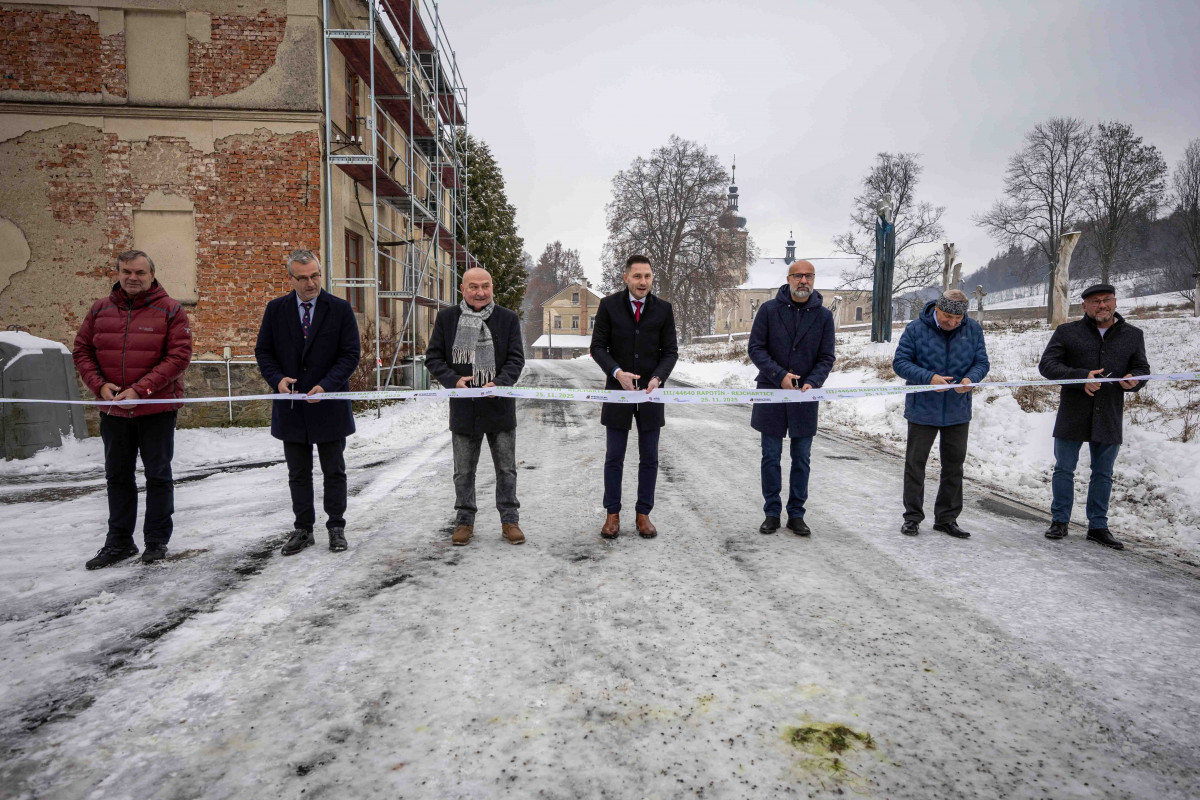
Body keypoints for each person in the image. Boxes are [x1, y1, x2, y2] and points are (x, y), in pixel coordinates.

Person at [73, 250, 193, 569]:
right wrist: (99, 385)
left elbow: (179, 357)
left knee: (158, 476)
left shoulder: (170, 310)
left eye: (140, 272)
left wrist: (141, 390)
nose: (132, 277)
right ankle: (119, 542)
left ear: (152, 275)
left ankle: (155, 542)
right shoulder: (100, 310)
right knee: (118, 477)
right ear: (118, 273)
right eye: (126, 271)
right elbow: (82, 350)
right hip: (113, 412)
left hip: (156, 410)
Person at [254, 250, 360, 556]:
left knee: (334, 470)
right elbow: (264, 352)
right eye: (303, 277)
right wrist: (277, 379)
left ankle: (336, 526)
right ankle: (303, 529)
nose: (310, 282)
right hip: (291, 408)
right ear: (290, 279)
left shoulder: (339, 309)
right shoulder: (276, 310)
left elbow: (350, 354)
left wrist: (326, 385)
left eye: (315, 275)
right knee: (297, 473)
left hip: (329, 405)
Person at [1038, 283, 1149, 550]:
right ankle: (1059, 520)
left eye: (1107, 300)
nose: (1102, 305)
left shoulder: (1133, 335)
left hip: (1109, 413)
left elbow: (1141, 367)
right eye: (1095, 301)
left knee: (1103, 473)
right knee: (1064, 468)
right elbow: (1048, 365)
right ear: (1085, 306)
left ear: (1115, 302)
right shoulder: (1067, 332)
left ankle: (1098, 526)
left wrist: (1135, 380)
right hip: (1073, 412)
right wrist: (1079, 378)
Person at [425, 267, 526, 547]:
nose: (480, 292)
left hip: (500, 407)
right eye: (473, 287)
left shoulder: (507, 319)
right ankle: (464, 521)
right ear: (462, 289)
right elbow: (433, 358)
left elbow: (517, 359)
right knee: (463, 471)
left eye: (485, 286)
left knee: (506, 469)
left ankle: (510, 520)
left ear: (492, 287)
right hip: (464, 409)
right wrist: (452, 380)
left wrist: (501, 382)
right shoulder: (447, 319)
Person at [590, 255, 678, 540]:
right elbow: (598, 347)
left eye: (648, 276)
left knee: (649, 457)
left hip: (651, 395)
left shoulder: (664, 309)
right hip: (618, 393)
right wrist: (617, 373)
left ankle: (644, 514)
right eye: (637, 276)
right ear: (626, 277)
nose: (643, 282)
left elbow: (671, 352)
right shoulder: (608, 306)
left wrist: (657, 378)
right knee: (614, 456)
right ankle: (612, 515)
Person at [892, 289, 990, 538]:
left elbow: (982, 363)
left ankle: (947, 518)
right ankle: (912, 517)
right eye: (947, 316)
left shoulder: (973, 330)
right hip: (923, 408)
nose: (952, 323)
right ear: (937, 309)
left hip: (958, 409)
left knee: (954, 466)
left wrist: (971, 378)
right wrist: (929, 378)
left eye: (958, 319)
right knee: (916, 465)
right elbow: (900, 363)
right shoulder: (916, 329)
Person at [747, 259, 835, 536]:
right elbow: (756, 348)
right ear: (788, 278)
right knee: (770, 456)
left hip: (805, 397)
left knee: (802, 458)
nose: (803, 281)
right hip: (772, 392)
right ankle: (772, 512)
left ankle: (796, 514)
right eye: (798, 276)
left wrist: (813, 382)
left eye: (808, 276)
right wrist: (779, 375)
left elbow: (826, 357)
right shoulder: (769, 310)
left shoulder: (824, 316)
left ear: (813, 280)